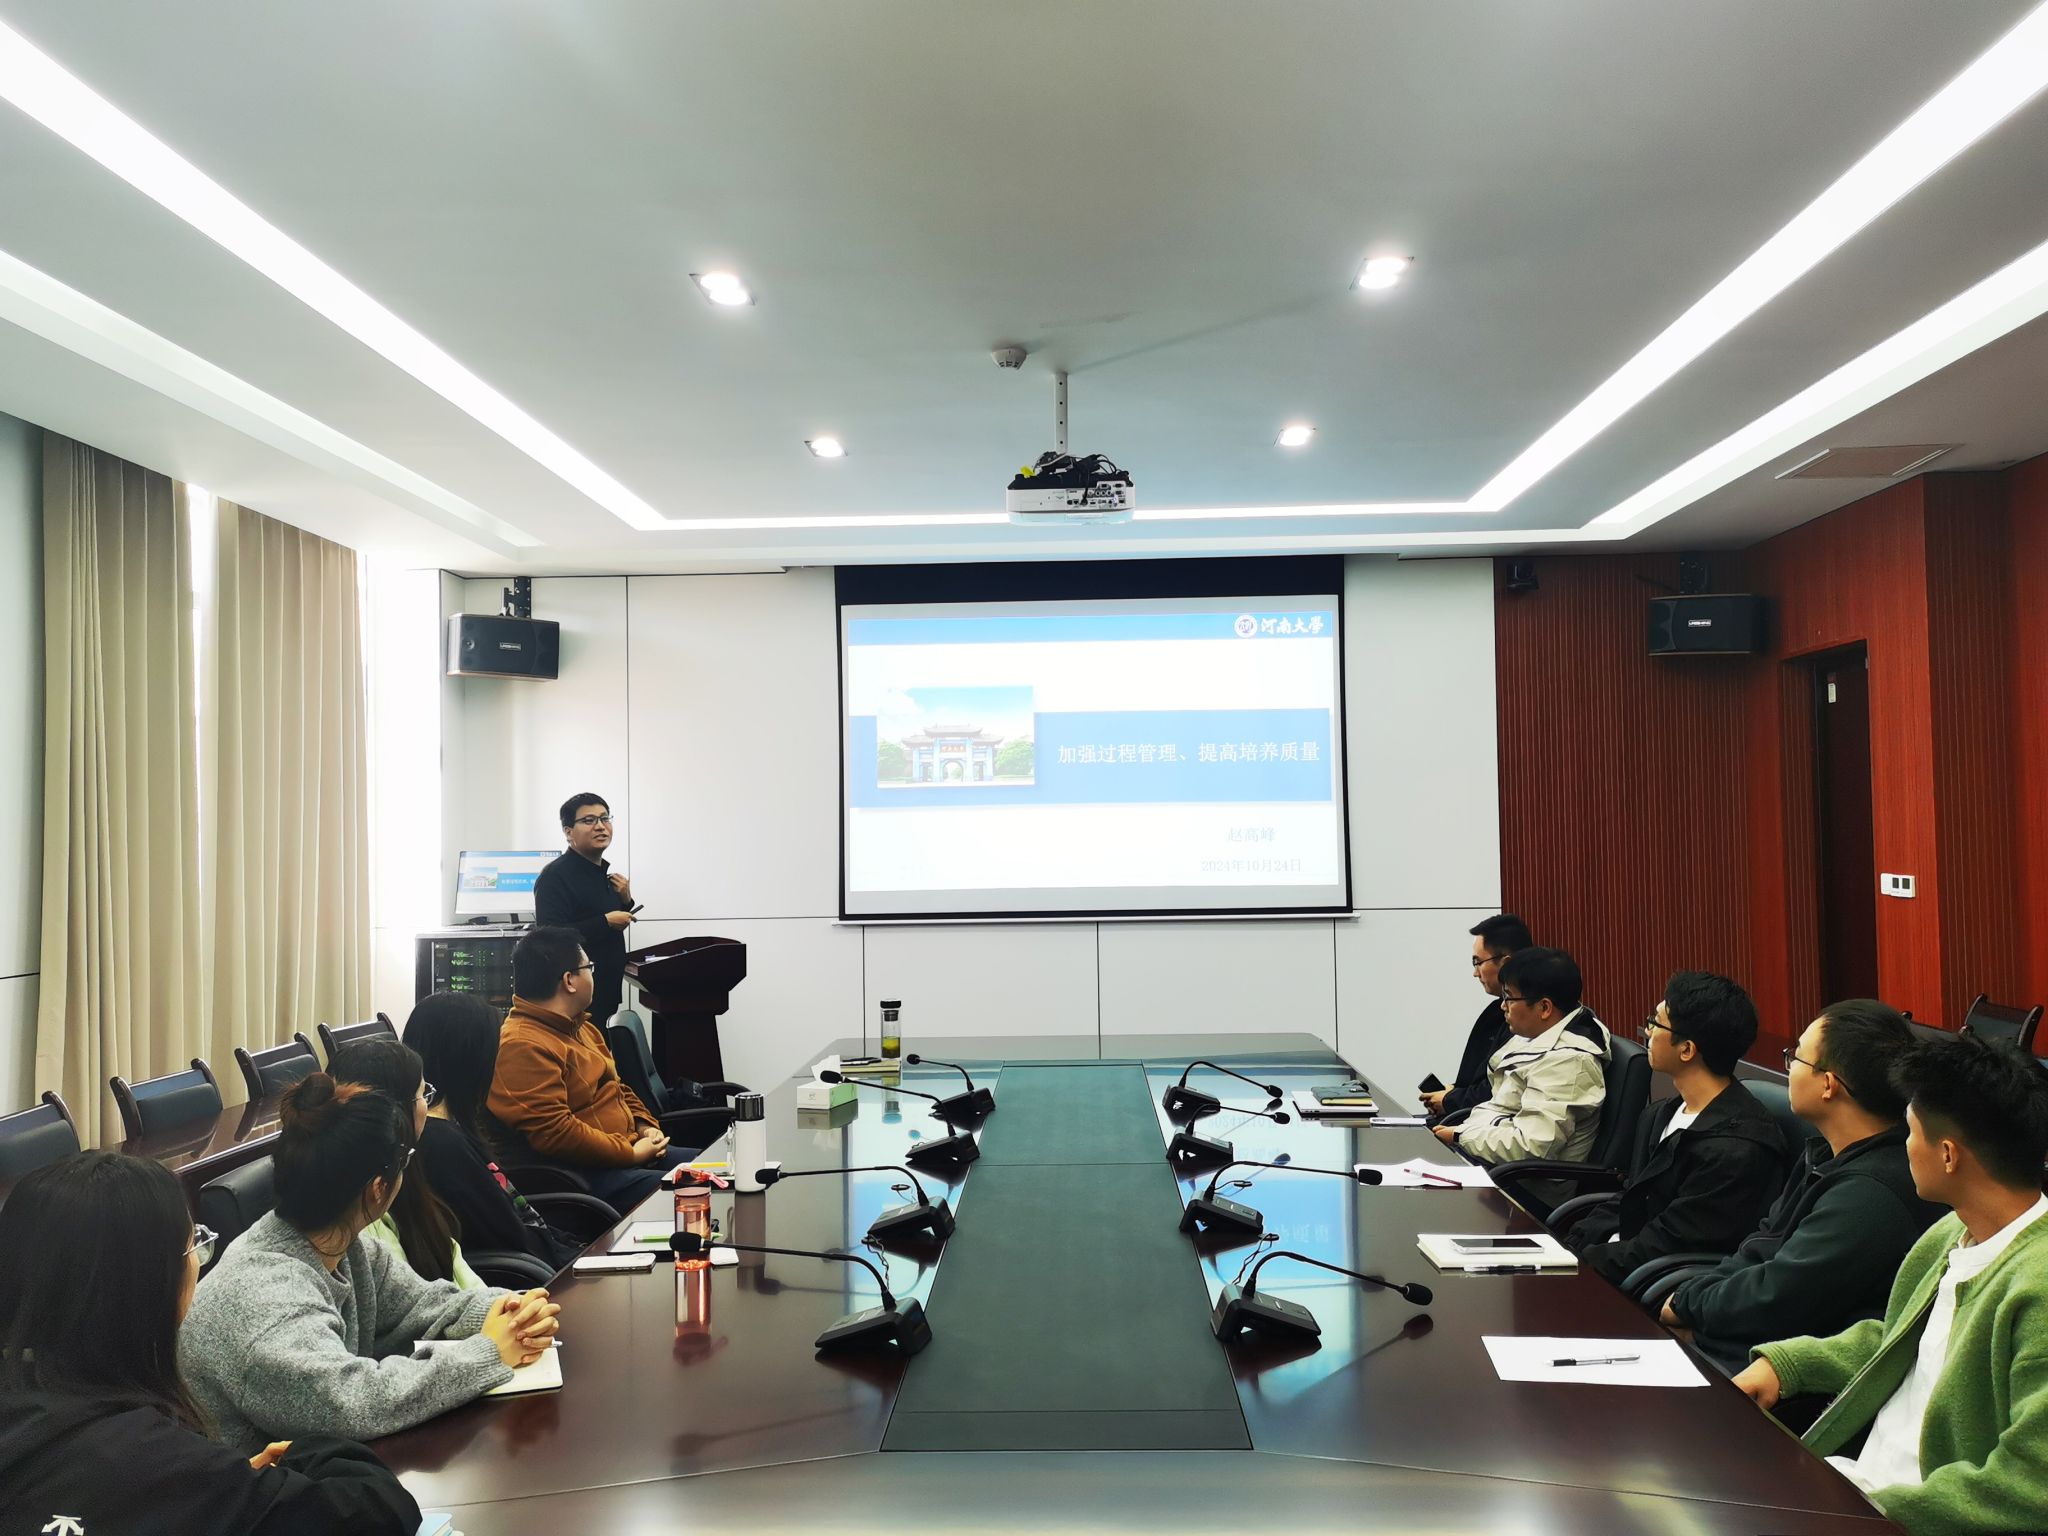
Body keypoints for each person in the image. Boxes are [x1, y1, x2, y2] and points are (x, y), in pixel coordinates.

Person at [0, 1151, 420, 1534]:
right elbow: (379, 1511)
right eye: (193, 1246)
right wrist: (304, 1452)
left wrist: (222, 1485)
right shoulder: (162, 1464)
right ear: (151, 1286)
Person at [1733, 1033, 2048, 1535]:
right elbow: (1901, 1339)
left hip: (1904, 1515)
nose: (1904, 1146)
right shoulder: (1952, 1232)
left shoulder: (2037, 1288)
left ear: (1948, 1155)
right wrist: (1789, 1364)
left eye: (1911, 1132)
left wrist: (1870, 1510)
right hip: (1856, 1489)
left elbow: (2030, 1489)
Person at [181, 1074, 560, 1453]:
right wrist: (487, 1353)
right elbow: (352, 1403)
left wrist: (511, 1312)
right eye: (404, 1162)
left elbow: (426, 1306)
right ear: (379, 1188)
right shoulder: (266, 1301)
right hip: (263, 1485)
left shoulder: (344, 1246)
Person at [1661, 999, 1941, 1375]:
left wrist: (1686, 1304)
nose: (1790, 1066)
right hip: (1747, 1344)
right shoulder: (1826, 1153)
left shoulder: (1870, 1196)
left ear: (1828, 1084)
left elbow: (1778, 1297)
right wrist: (1697, 1304)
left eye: (1796, 1057)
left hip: (1789, 1374)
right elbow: (1761, 1245)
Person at [1562, 971, 1790, 1285]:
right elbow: (1631, 1198)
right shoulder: (1661, 1114)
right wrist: (1567, 1246)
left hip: (1658, 1285)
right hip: (1624, 1263)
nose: (1647, 1031)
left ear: (1686, 1050)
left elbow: (1669, 1243)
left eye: (1655, 1023)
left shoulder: (1735, 1149)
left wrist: (1577, 1266)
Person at [488, 924, 693, 1212]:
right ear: (569, 980)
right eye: (589, 967)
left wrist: (645, 1126)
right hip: (588, 1178)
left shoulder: (580, 1026)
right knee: (699, 1191)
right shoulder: (521, 1045)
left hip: (627, 1154)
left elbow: (618, 1088)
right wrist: (630, 1155)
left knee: (721, 1169)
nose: (592, 974)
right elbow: (557, 1132)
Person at [405, 989, 602, 1272]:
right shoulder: (442, 1144)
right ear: (468, 1059)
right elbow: (508, 1235)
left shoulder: (453, 1126)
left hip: (548, 1260)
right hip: (535, 1278)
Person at [330, 1036, 485, 1289]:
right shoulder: (367, 1215)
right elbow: (406, 1297)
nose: (427, 1106)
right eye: (423, 1095)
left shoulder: (405, 1169)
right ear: (397, 1112)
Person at [1432, 946, 1609, 1165]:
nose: (1503, 1006)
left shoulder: (1569, 1062)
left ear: (1544, 1008)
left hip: (1516, 1179)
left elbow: (1531, 1146)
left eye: (1509, 997)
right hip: (1488, 1157)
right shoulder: (1537, 1035)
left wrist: (1460, 1136)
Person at [533, 791, 636, 1028]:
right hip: (575, 1000)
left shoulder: (602, 874)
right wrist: (605, 922)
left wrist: (626, 901)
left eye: (605, 818)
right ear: (569, 832)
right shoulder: (555, 876)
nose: (600, 826)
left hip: (604, 991)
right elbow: (550, 936)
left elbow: (603, 917)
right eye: (589, 820)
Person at [1420, 913, 1531, 1121]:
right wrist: (1452, 1092)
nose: (1475, 973)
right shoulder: (1495, 1011)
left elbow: (1498, 1094)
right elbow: (1480, 1080)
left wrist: (1450, 1100)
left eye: (1478, 962)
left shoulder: (1528, 1022)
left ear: (1506, 963)